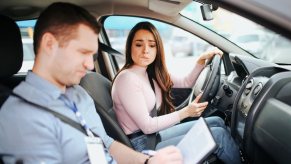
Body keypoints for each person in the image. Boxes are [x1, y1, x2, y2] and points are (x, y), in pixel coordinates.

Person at [0, 3, 183, 164]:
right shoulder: (21, 117)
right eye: (83, 52)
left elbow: (108, 145)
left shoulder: (79, 94)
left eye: (92, 54)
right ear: (50, 44)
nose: (89, 64)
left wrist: (147, 161)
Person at [111, 22, 241, 163]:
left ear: (157, 49)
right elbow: (148, 126)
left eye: (151, 45)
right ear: (130, 46)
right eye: (138, 44)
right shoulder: (127, 79)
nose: (145, 50)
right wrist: (186, 112)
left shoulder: (149, 72)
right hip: (142, 146)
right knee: (218, 135)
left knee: (217, 121)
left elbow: (186, 82)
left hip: (152, 136)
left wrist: (200, 61)